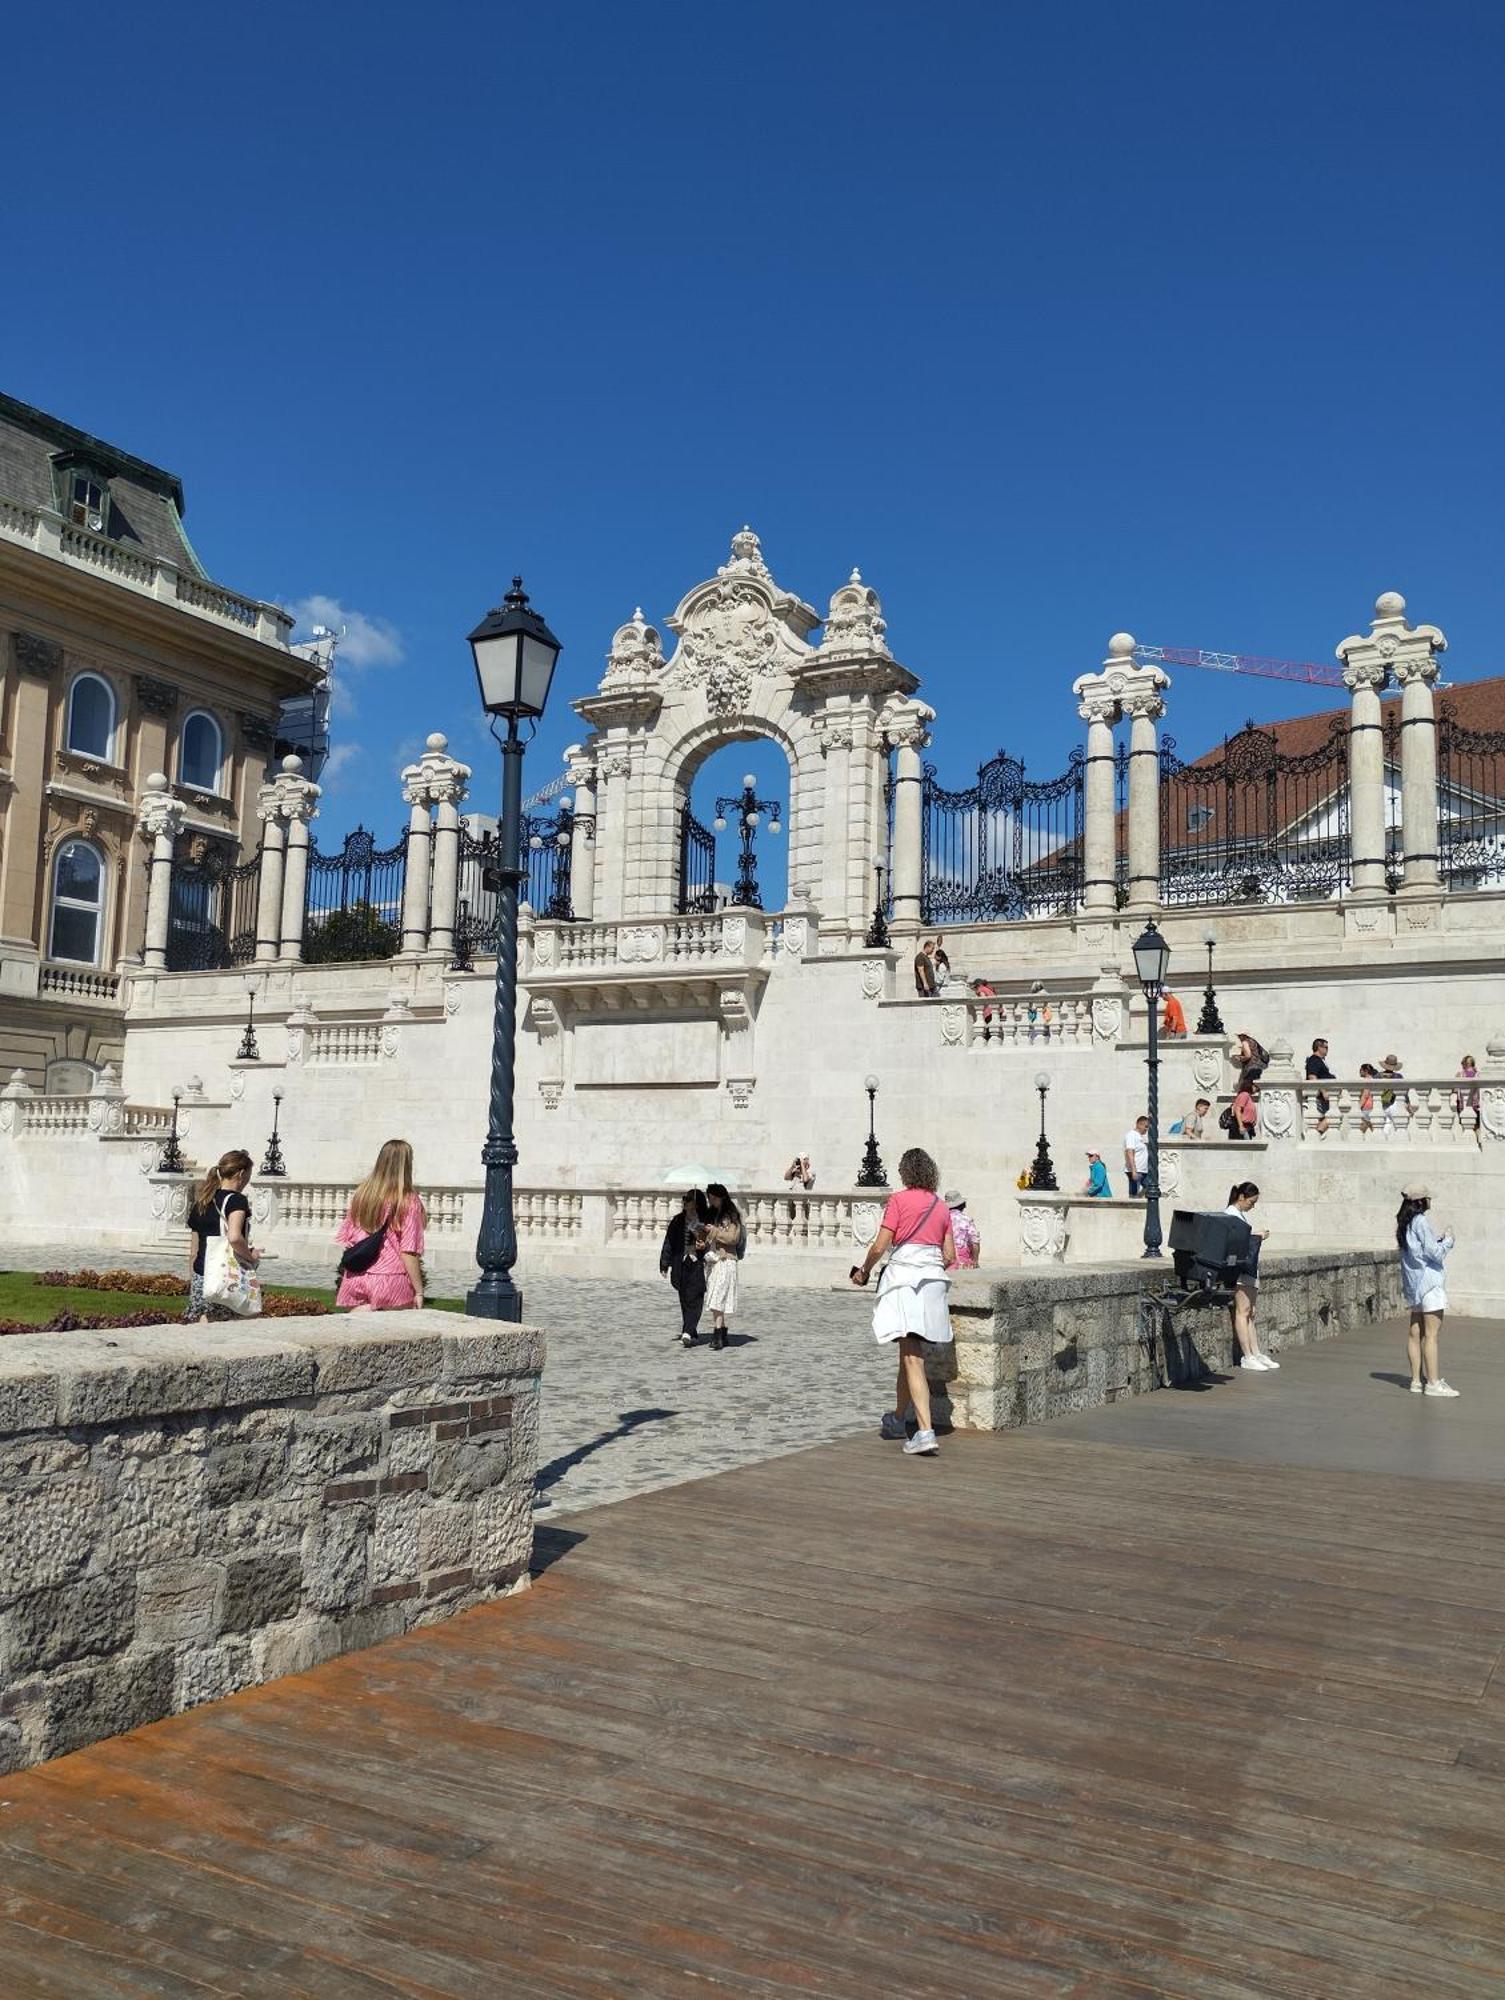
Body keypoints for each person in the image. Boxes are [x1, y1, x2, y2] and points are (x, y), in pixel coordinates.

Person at [851, 1146, 954, 1457]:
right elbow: (950, 1256)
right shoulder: (941, 1205)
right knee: (908, 1354)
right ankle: (898, 1418)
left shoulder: (898, 1200)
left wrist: (864, 1270)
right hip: (933, 1283)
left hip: (905, 1281)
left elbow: (880, 1244)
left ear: (906, 1173)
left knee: (912, 1357)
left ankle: (924, 1432)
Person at [334, 1138, 427, 1311]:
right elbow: (408, 1250)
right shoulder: (407, 1200)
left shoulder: (362, 1194)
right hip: (390, 1278)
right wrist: (419, 1291)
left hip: (356, 1275)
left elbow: (349, 1236)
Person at [1397, 1186, 1458, 1397]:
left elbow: (1419, 1252)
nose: (1430, 1200)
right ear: (1421, 1201)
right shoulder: (1421, 1221)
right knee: (1431, 1335)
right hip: (1429, 1284)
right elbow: (1434, 1254)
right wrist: (1448, 1241)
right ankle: (1432, 1383)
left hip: (1415, 1285)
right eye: (1428, 1197)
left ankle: (1416, 1380)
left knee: (1415, 1333)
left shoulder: (1404, 1223)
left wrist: (1436, 1242)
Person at [185, 1149, 258, 1323]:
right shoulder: (236, 1201)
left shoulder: (202, 1202)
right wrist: (251, 1256)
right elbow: (234, 1237)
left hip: (201, 1274)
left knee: (205, 1322)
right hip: (226, 1275)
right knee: (244, 1318)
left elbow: (193, 1251)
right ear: (241, 1174)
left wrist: (194, 1282)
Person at [1224, 1182, 1277, 1371]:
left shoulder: (1240, 1216)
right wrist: (1258, 1237)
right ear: (1241, 1197)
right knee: (1243, 1311)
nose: (1252, 1206)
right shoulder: (1230, 1214)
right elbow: (1235, 1243)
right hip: (1240, 1270)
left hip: (1249, 1269)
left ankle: (1255, 1352)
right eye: (1251, 1202)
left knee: (1251, 1312)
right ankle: (1247, 1356)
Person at [660, 1189, 710, 1347]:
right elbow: (669, 1242)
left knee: (695, 1298)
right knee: (684, 1299)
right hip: (681, 1263)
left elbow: (713, 1242)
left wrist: (703, 1242)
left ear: (696, 1202)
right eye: (685, 1200)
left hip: (698, 1263)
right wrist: (664, 1264)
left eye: (688, 1199)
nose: (685, 1202)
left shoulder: (705, 1220)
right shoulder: (677, 1221)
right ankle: (691, 1331)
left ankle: (687, 1331)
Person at [703, 1183, 743, 1351]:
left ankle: (718, 1333)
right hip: (713, 1260)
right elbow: (709, 1237)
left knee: (717, 1297)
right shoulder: (711, 1214)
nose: (711, 1201)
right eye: (709, 1198)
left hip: (726, 1260)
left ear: (721, 1197)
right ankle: (722, 1332)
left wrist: (714, 1231)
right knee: (714, 1296)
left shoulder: (732, 1216)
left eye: (713, 1198)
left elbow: (733, 1238)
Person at [1305, 1037, 1334, 1134]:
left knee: (1330, 1116)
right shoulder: (1314, 1060)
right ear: (1319, 1047)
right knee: (1333, 1115)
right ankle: (1316, 1134)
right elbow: (1312, 1076)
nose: (1327, 1050)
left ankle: (1317, 1134)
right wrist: (1324, 1091)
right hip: (1320, 1097)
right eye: (1326, 1047)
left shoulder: (1319, 1060)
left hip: (1324, 1098)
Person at [946, 1188, 980, 1268]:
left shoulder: (941, 1219)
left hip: (945, 1258)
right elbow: (975, 1242)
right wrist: (975, 1261)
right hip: (963, 1261)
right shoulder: (966, 1220)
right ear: (962, 1205)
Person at [1123, 1115, 1150, 1197]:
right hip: (1136, 1170)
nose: (1147, 1129)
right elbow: (1130, 1152)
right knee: (1133, 1193)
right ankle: (1132, 1206)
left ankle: (1138, 1198)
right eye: (1146, 1126)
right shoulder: (1131, 1135)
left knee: (1150, 1187)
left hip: (1143, 1170)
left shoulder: (1140, 1136)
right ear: (1139, 1124)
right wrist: (1134, 1170)